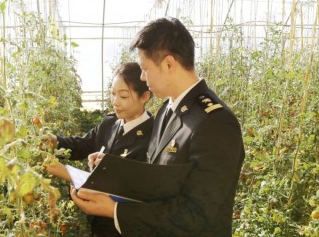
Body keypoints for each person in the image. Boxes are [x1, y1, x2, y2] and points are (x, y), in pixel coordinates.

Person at [70, 17, 245, 236]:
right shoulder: (166, 112)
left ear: (169, 64)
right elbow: (156, 180)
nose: (142, 76)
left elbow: (199, 213)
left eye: (145, 68)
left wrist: (115, 210)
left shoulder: (215, 122)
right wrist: (113, 170)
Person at [45, 61, 154, 237]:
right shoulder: (110, 123)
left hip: (125, 228)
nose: (115, 102)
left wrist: (66, 172)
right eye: (113, 94)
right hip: (99, 226)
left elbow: (136, 191)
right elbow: (81, 145)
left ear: (145, 97)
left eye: (124, 96)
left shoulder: (154, 136)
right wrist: (54, 141)